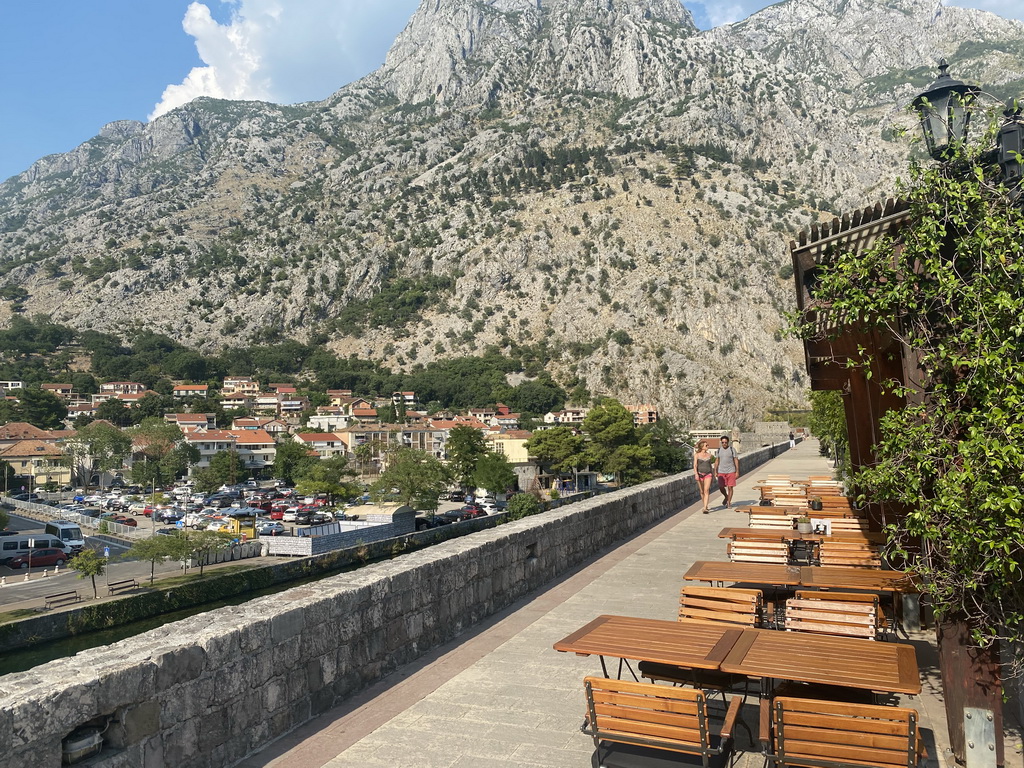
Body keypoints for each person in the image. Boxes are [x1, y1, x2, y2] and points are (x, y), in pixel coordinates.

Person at [693, 440, 716, 514]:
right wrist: (696, 474)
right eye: (706, 445)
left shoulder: (709, 455)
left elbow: (710, 466)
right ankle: (704, 504)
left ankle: (705, 507)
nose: (708, 446)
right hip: (700, 474)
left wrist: (713, 474)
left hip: (708, 474)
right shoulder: (697, 455)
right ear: (702, 447)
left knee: (706, 490)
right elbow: (695, 465)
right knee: (702, 491)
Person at [716, 436, 740, 509]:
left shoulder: (732, 450)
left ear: (728, 442)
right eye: (723, 442)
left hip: (731, 471)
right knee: (721, 487)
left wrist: (737, 471)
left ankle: (729, 502)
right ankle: (726, 497)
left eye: (725, 442)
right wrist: (715, 471)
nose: (724, 444)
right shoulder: (719, 450)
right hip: (721, 471)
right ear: (721, 442)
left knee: (730, 487)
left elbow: (736, 460)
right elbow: (717, 460)